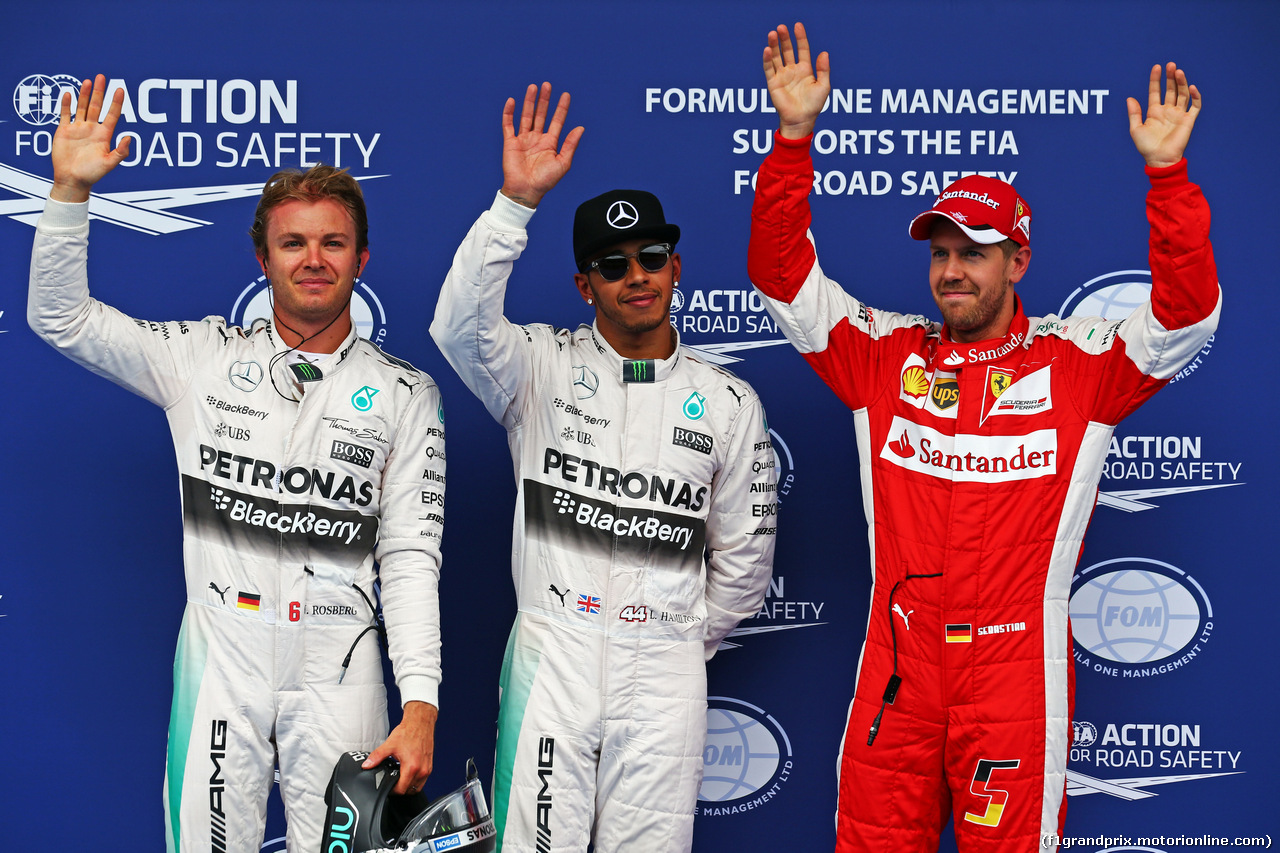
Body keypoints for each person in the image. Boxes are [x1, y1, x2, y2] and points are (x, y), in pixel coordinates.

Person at [747, 24, 1220, 853]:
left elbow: (1187, 316)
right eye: (940, 252)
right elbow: (782, 276)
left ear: (1019, 261)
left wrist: (1169, 179)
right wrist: (792, 142)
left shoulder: (1083, 364)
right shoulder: (882, 354)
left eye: (974, 252)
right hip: (898, 671)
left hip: (1012, 674)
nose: (951, 270)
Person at [28, 75, 446, 853]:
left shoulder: (406, 393)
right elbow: (60, 316)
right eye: (294, 242)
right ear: (262, 255)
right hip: (224, 663)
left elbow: (412, 558)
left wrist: (419, 702)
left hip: (343, 672)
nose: (313, 259)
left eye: (332, 242)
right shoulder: (198, 358)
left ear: (361, 257)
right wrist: (67, 193)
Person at [430, 83, 777, 853]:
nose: (637, 273)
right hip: (553, 652)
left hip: (666, 668)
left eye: (651, 256)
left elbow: (746, 561)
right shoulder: (537, 367)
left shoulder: (727, 401)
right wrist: (514, 205)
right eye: (613, 264)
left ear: (676, 265)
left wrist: (678, 631)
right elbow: (456, 326)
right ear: (586, 285)